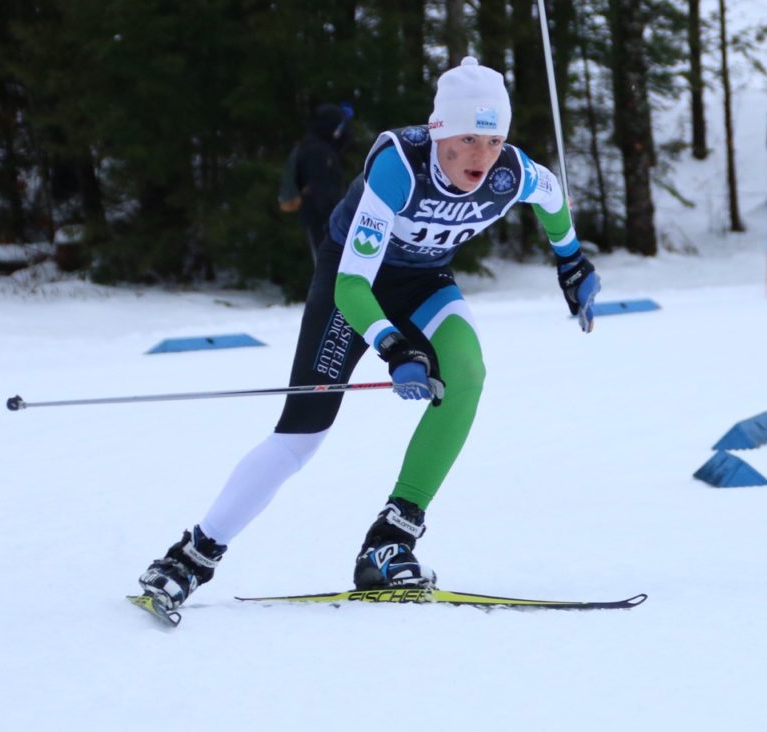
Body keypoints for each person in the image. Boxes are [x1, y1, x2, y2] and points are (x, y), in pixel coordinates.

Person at [137, 57, 601, 609]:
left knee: (468, 373)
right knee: (302, 433)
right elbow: (354, 285)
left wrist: (571, 262)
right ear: (439, 132)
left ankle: (389, 542)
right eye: (469, 138)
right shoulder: (399, 168)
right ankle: (192, 556)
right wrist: (393, 345)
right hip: (352, 281)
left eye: (494, 138)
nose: (482, 155)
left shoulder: (510, 172)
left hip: (424, 281)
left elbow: (552, 199)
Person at [278, 102, 353, 262]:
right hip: (324, 218)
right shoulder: (317, 150)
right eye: (338, 126)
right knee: (327, 264)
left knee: (328, 263)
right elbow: (322, 188)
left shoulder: (322, 147)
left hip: (326, 217)